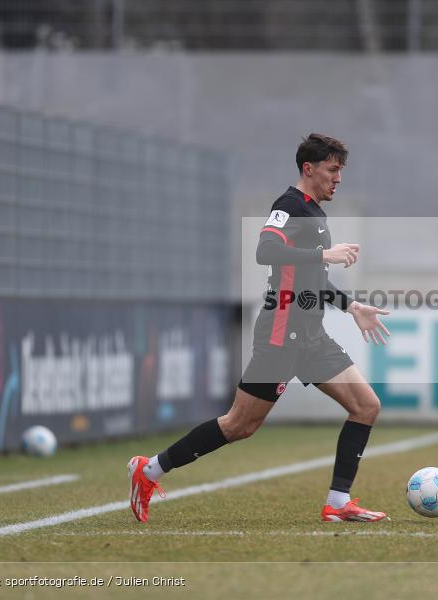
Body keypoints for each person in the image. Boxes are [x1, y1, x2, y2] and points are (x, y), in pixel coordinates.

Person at [128, 134, 392, 523]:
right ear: (309, 168)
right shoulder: (288, 205)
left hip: (311, 336)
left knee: (366, 406)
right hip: (281, 333)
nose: (338, 179)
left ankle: (338, 503)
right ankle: (148, 470)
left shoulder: (316, 213)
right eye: (333, 170)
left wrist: (351, 307)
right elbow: (264, 250)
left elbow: (312, 281)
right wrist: (324, 254)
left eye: (341, 172)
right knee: (239, 425)